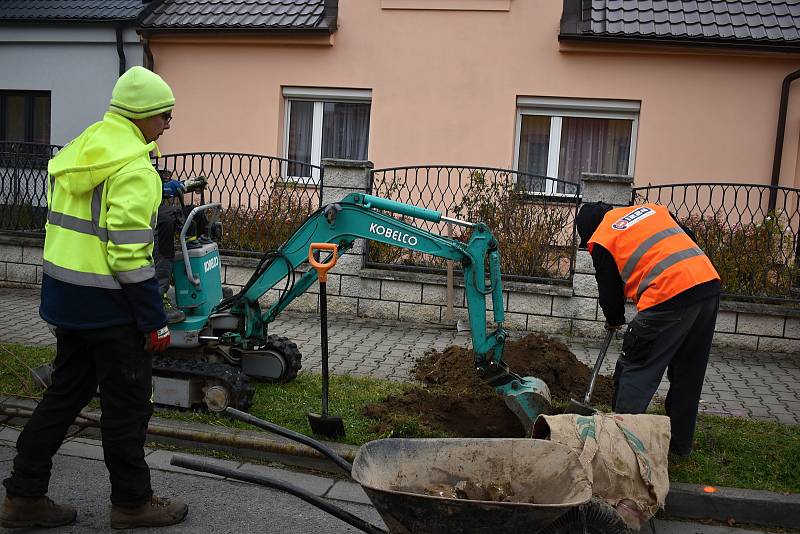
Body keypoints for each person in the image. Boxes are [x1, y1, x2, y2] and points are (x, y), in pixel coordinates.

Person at [1, 66, 188, 529]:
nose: (168, 123)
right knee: (127, 408)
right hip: (112, 310)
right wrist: (153, 319)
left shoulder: (81, 153)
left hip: (68, 302)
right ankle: (132, 503)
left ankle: (23, 496)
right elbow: (128, 256)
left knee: (63, 398)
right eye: (165, 114)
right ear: (143, 115)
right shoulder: (133, 169)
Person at [576, 201, 721, 457]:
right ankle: (678, 447)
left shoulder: (603, 237)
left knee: (635, 367)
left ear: (589, 232)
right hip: (706, 284)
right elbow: (689, 236)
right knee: (689, 372)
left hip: (668, 295)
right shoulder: (651, 210)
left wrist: (614, 319)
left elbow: (609, 293)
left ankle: (619, 446)